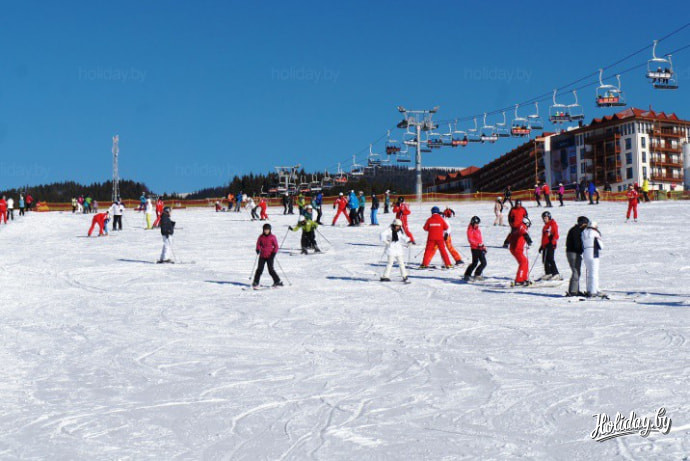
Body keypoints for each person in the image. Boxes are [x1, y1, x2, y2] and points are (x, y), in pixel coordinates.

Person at [252, 223, 283, 288]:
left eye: (267, 230)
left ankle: (277, 281)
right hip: (262, 256)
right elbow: (258, 244)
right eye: (265, 230)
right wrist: (257, 249)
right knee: (259, 269)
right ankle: (256, 282)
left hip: (270, 256)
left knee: (271, 270)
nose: (266, 231)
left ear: (270, 230)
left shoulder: (272, 237)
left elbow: (276, 246)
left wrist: (273, 253)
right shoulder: (261, 237)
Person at [379, 218, 410, 283]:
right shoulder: (389, 230)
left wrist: (408, 241)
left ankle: (404, 276)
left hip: (398, 249)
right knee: (390, 263)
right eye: (397, 226)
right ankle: (385, 276)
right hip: (391, 249)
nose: (398, 227)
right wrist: (385, 241)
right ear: (394, 225)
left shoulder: (400, 231)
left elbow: (403, 237)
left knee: (401, 263)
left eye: (399, 226)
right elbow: (382, 234)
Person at [565, 216, 588, 297]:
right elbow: (576, 244)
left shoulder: (577, 230)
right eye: (585, 224)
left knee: (577, 271)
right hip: (573, 253)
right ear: (581, 223)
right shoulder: (576, 231)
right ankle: (573, 291)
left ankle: (575, 290)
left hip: (575, 253)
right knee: (575, 271)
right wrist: (583, 250)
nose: (586, 226)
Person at [507, 217, 533, 286]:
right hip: (517, 249)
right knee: (523, 262)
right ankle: (519, 280)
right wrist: (528, 240)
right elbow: (524, 233)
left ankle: (524, 278)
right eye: (529, 224)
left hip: (516, 248)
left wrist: (507, 241)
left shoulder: (518, 227)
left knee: (525, 261)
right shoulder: (522, 226)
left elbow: (511, 235)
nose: (528, 226)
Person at [582, 221, 604, 297]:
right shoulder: (595, 233)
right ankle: (593, 291)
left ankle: (589, 289)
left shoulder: (583, 232)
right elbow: (601, 246)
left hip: (585, 253)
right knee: (594, 273)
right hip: (593, 253)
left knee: (589, 272)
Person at [464, 216, 487, 281]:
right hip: (474, 248)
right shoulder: (470, 230)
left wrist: (483, 246)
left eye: (478, 223)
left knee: (484, 263)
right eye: (476, 223)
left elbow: (480, 239)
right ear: (472, 223)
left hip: (480, 248)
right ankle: (467, 275)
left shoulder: (478, 230)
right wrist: (477, 244)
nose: (477, 225)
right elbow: (470, 240)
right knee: (475, 263)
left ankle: (477, 274)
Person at [539, 211, 561, 281]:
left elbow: (556, 235)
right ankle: (548, 273)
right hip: (545, 245)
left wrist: (552, 242)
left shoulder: (552, 224)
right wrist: (542, 246)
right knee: (545, 260)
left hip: (550, 245)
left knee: (550, 259)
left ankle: (555, 273)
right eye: (543, 218)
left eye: (546, 218)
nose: (544, 219)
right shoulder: (545, 226)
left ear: (549, 217)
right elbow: (544, 237)